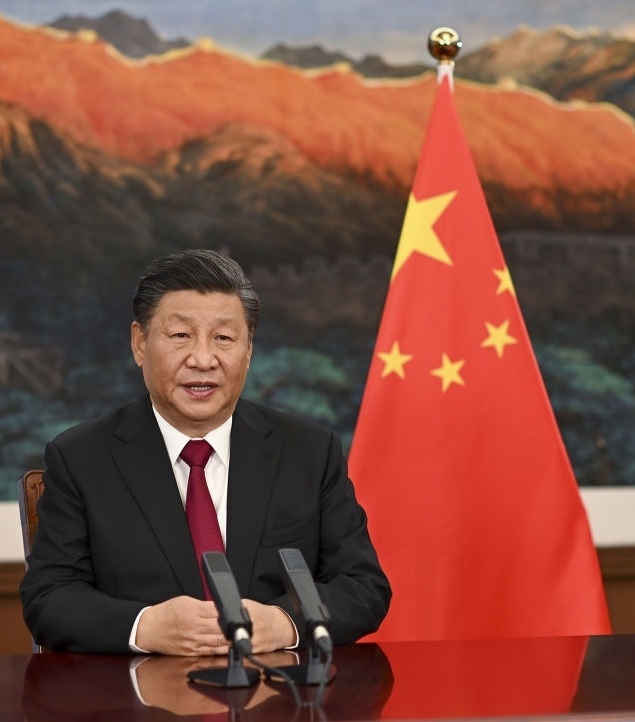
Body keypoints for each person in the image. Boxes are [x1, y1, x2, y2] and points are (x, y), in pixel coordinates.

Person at [20, 249, 390, 655]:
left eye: (224, 338)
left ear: (249, 349)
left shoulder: (309, 452)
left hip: (277, 687)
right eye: (180, 335)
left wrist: (284, 622)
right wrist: (146, 626)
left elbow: (363, 587)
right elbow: (49, 599)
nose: (202, 360)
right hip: (138, 689)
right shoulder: (81, 458)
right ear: (139, 343)